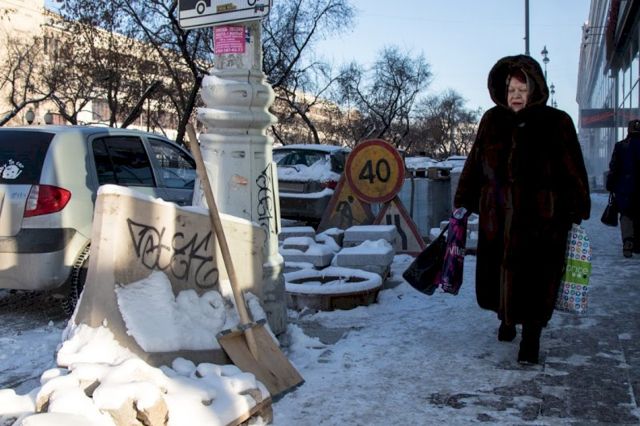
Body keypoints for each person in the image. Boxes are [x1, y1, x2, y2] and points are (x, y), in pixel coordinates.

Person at [454, 55, 591, 364]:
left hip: (542, 221)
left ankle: (531, 337)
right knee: (499, 274)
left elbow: (573, 168)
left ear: (535, 89)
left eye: (522, 89)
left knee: (536, 279)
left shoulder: (557, 122)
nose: (515, 95)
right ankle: (506, 318)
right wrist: (463, 201)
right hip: (496, 218)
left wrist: (576, 205)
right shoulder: (491, 120)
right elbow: (474, 163)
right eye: (510, 89)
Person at [606, 119, 640, 257]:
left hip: (624, 189)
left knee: (626, 215)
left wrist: (610, 184)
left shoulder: (620, 146)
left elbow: (614, 167)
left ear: (628, 130)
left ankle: (628, 241)